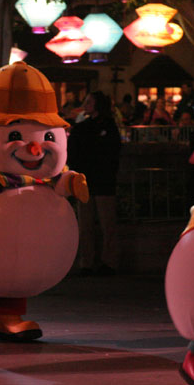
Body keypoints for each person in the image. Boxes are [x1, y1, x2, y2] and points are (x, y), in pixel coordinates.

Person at [67, 91, 122, 276]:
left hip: (101, 180)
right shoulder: (86, 127)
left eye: (89, 101)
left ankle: (103, 262)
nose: (86, 104)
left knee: (104, 224)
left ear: (98, 105)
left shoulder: (104, 127)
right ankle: (90, 262)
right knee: (87, 224)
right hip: (94, 180)